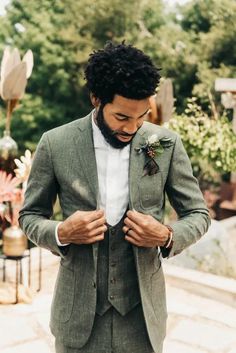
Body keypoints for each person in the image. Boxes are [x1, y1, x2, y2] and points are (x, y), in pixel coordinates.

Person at [19, 42, 211, 353]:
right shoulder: (55, 143)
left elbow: (199, 214)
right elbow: (29, 216)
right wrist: (61, 232)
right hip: (77, 319)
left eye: (141, 117)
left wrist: (166, 235)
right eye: (122, 117)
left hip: (142, 321)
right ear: (96, 99)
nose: (133, 128)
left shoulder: (163, 144)